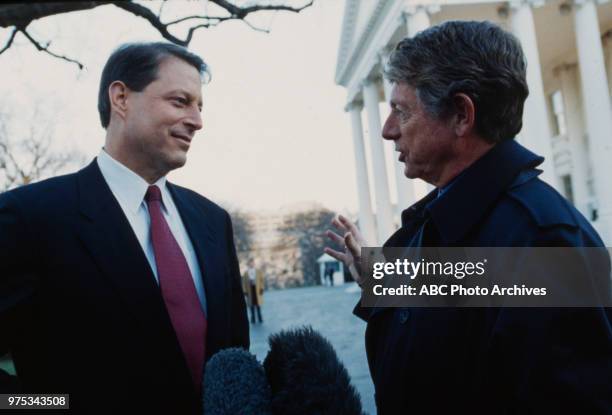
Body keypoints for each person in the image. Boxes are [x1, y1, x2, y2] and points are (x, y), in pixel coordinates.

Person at [325, 21, 611, 414]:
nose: (388, 131)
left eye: (401, 111)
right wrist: (382, 279)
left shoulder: (542, 242)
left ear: (461, 114)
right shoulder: (460, 214)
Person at [0, 42, 249, 414]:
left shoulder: (213, 220)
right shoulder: (29, 216)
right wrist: (46, 407)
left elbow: (235, 354)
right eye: (180, 102)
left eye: (199, 106)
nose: (198, 121)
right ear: (121, 98)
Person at [242, 258, 264, 324]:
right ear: (248, 264)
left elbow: (261, 280)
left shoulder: (258, 271)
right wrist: (245, 291)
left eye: (252, 263)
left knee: (258, 306)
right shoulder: (246, 273)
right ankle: (253, 319)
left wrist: (261, 288)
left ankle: (260, 318)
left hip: (256, 289)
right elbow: (244, 282)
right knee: (251, 306)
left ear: (254, 263)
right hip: (250, 290)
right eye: (250, 263)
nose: (251, 264)